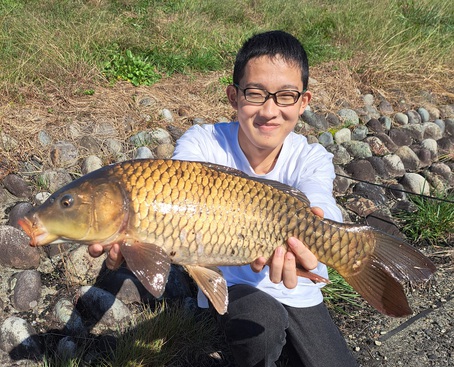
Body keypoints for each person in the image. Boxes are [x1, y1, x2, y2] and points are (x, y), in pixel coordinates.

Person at [89, 30, 357, 367]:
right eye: (255, 93)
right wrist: (133, 243)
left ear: (303, 102)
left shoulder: (312, 157)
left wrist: (319, 249)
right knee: (261, 324)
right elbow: (168, 193)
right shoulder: (202, 141)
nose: (270, 110)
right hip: (234, 286)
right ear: (233, 96)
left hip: (296, 287)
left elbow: (321, 206)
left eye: (286, 96)